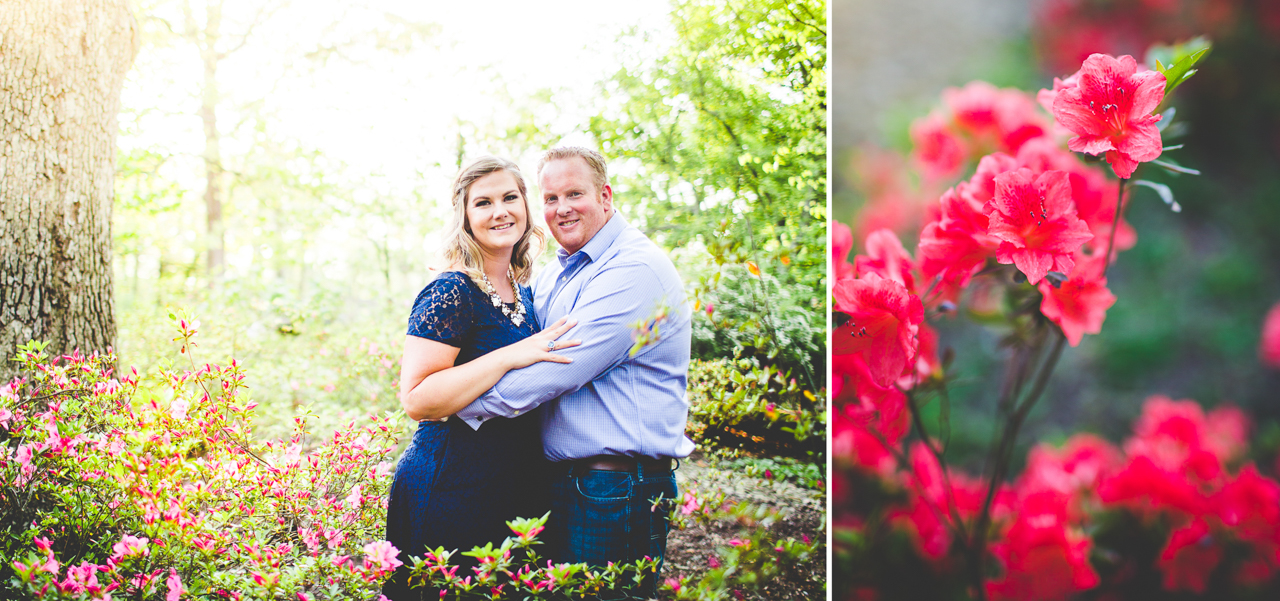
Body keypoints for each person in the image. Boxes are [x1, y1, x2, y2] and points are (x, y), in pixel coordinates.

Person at [453, 146, 694, 601]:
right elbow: (511, 337)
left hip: (615, 487)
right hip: (572, 483)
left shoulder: (633, 269)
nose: (561, 209)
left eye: (574, 194)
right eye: (549, 198)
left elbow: (556, 371)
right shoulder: (557, 275)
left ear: (604, 195)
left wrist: (453, 401)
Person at [382, 156, 581, 601]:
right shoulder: (451, 291)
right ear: (465, 218)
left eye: (510, 197)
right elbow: (417, 399)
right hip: (451, 485)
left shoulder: (526, 294)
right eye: (483, 203)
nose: (500, 212)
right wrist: (510, 356)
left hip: (514, 486)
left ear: (526, 206)